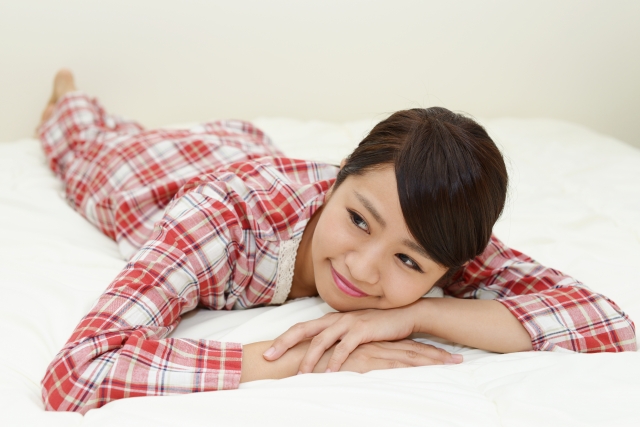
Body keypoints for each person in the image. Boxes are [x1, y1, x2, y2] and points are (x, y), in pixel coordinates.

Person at [38, 70, 636, 414]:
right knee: (84, 143)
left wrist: (419, 315)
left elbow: (609, 323)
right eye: (358, 220)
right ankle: (68, 102)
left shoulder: (430, 228)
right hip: (148, 178)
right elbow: (78, 373)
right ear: (340, 175)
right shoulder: (221, 216)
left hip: (246, 150)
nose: (365, 270)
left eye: (408, 261)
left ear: (449, 267)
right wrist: (301, 358)